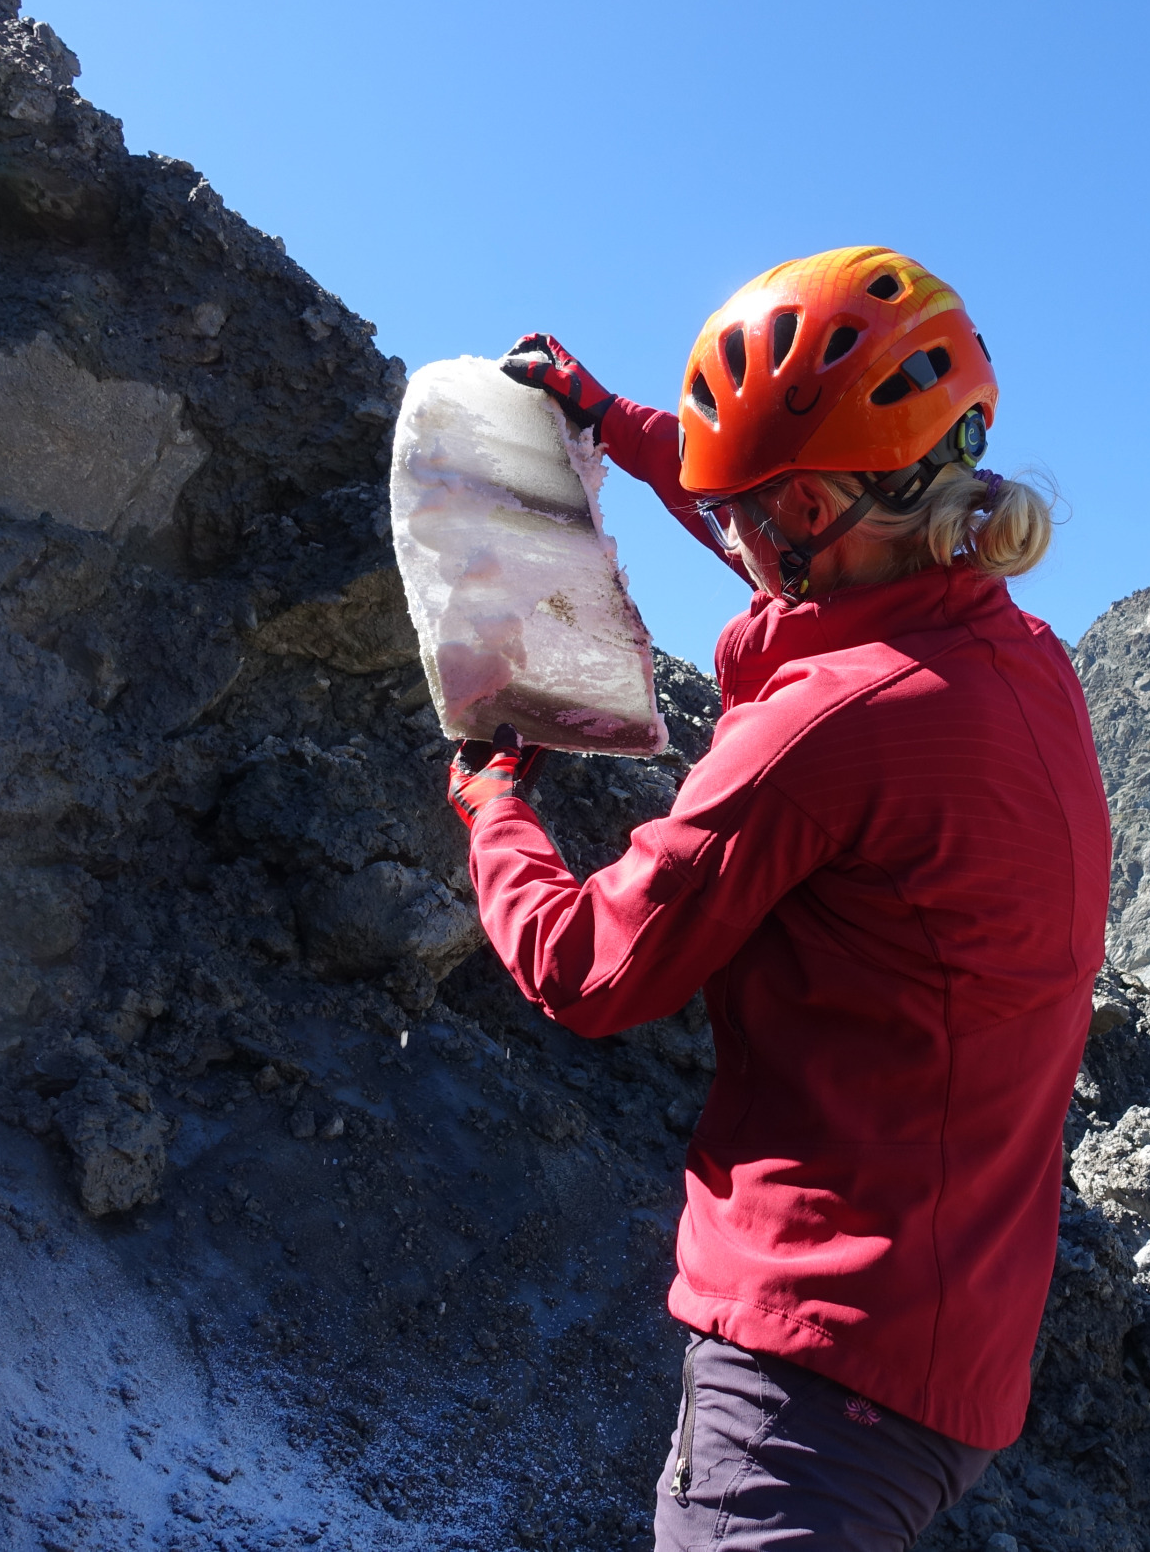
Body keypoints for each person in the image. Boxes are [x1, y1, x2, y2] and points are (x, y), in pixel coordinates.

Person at [443, 246, 1111, 1551]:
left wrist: (494, 798)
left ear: (809, 511)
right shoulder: (1011, 652)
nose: (724, 528)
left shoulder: (830, 724)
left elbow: (589, 971)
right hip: (945, 1349)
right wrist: (615, 424)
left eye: (742, 503)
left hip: (813, 1373)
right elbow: (787, 548)